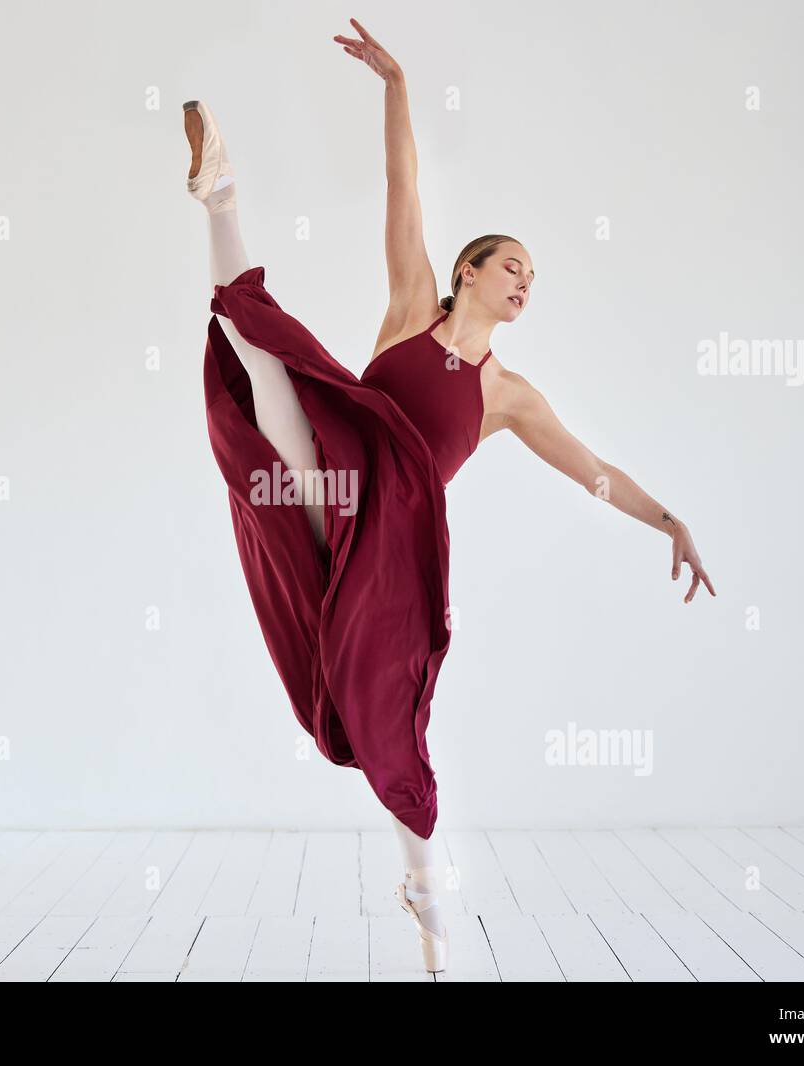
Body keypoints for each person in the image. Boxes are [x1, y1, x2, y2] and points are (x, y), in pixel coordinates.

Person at [185, 18, 715, 975]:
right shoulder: (409, 302)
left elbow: (592, 469)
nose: (524, 285)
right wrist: (396, 84)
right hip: (338, 473)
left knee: (392, 731)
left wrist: (667, 518)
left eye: (534, 280)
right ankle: (219, 193)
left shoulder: (508, 396)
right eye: (513, 266)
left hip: (391, 550)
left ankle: (431, 918)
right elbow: (405, 186)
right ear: (468, 270)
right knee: (274, 377)